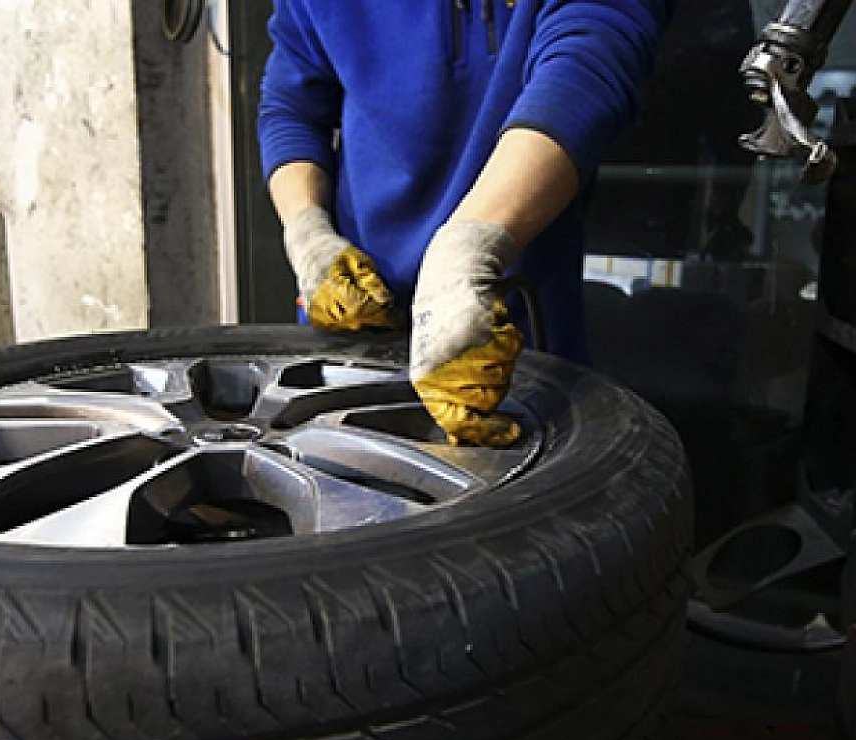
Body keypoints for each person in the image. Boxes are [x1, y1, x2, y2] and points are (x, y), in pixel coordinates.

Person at [259, 0, 670, 447]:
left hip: (504, 327)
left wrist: (468, 250)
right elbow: (290, 107)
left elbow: (591, 57)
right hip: (353, 321)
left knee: (530, 500)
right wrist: (308, 236)